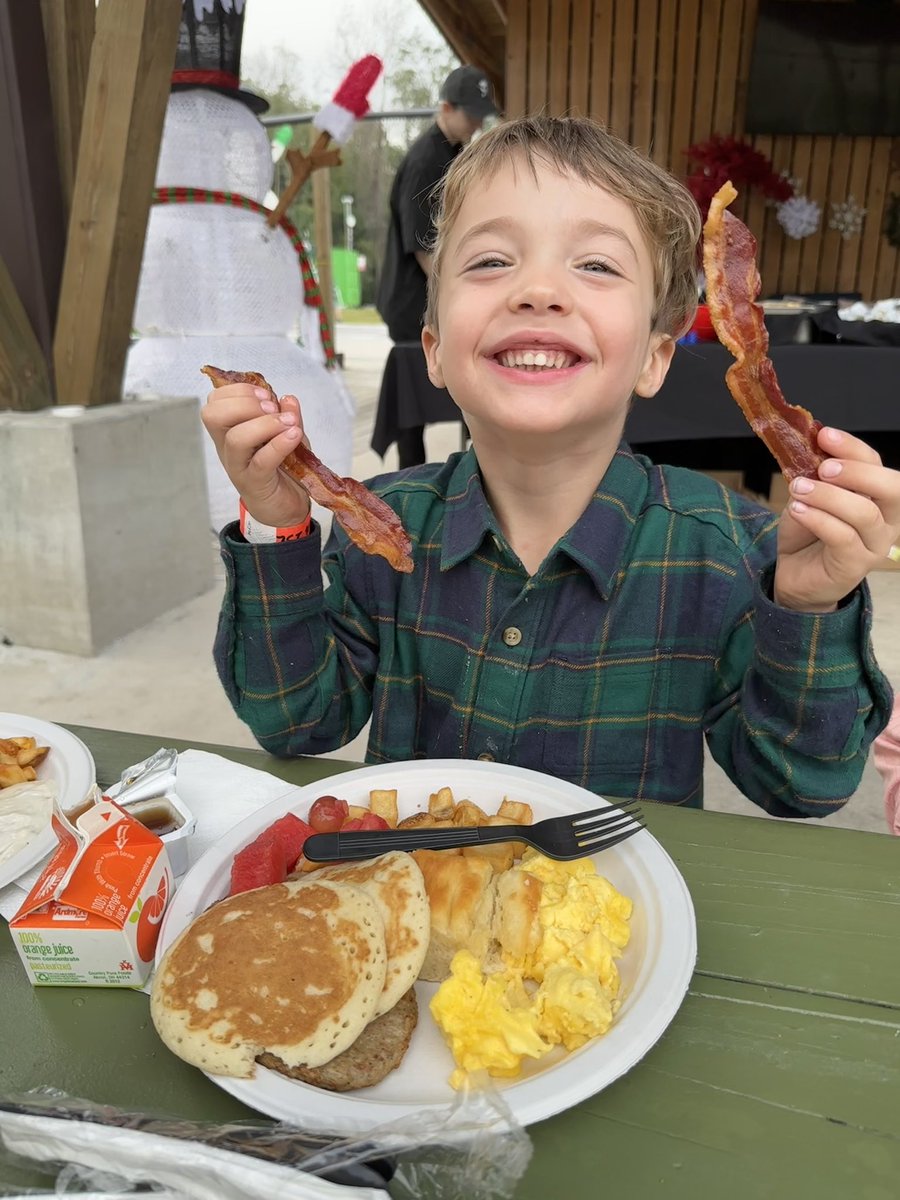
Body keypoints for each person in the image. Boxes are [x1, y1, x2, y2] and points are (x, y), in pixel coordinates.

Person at [201, 115, 897, 818]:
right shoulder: (381, 531)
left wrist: (809, 607)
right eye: (490, 261)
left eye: (595, 265)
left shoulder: (727, 554)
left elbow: (801, 785)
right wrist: (276, 525)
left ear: (654, 357)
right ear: (435, 350)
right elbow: (294, 719)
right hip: (413, 880)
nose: (537, 290)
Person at [374, 65, 498, 467]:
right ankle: (411, 482)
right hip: (414, 303)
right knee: (414, 407)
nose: (477, 123)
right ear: (446, 108)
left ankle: (476, 470)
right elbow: (424, 247)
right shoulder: (426, 161)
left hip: (438, 296)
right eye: (470, 114)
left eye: (481, 114)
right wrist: (462, 294)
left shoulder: (457, 154)